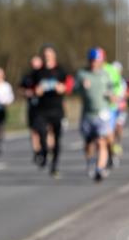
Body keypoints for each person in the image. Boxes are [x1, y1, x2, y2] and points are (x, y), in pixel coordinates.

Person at [74, 47, 113, 181]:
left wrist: (111, 96)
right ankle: (90, 161)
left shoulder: (105, 74)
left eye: (97, 61)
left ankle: (99, 169)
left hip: (102, 114)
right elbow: (74, 91)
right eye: (92, 61)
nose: (94, 63)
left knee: (101, 141)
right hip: (87, 114)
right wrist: (81, 88)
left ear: (101, 61)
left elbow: (112, 91)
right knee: (89, 143)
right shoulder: (82, 74)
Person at [32, 45, 67, 178]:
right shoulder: (38, 72)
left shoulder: (60, 71)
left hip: (57, 108)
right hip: (42, 109)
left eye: (49, 54)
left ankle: (55, 165)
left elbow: (69, 85)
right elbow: (29, 88)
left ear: (54, 56)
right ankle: (44, 152)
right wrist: (36, 91)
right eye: (45, 55)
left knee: (57, 138)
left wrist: (62, 88)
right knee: (41, 132)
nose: (47, 57)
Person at [19, 55, 45, 165]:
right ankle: (37, 152)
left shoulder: (45, 75)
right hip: (33, 107)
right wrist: (26, 93)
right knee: (34, 130)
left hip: (45, 107)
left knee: (45, 130)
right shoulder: (28, 77)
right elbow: (20, 89)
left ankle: (46, 149)